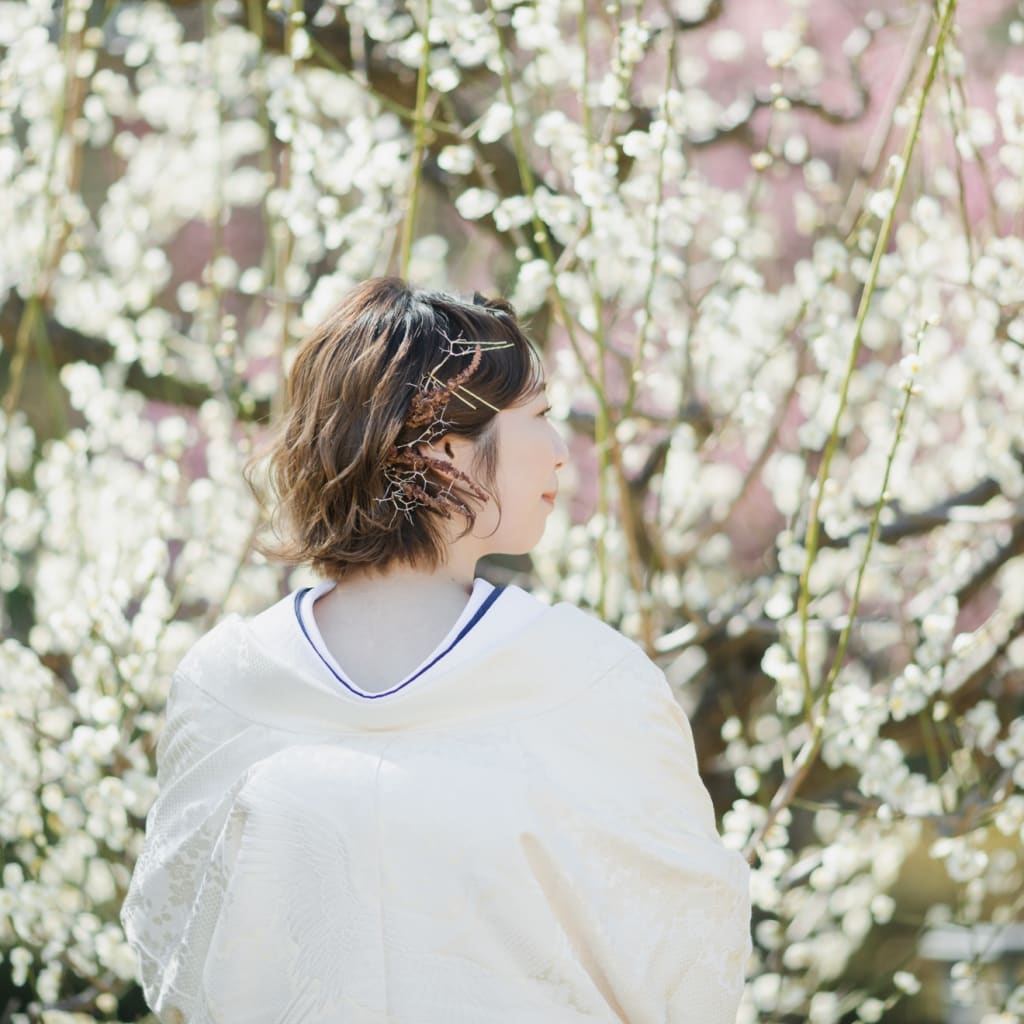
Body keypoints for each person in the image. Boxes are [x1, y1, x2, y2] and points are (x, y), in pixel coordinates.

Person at [120, 277, 752, 1023]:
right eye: (540, 416)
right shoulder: (587, 677)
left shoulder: (228, 681)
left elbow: (180, 957)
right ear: (446, 451)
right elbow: (685, 963)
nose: (560, 453)